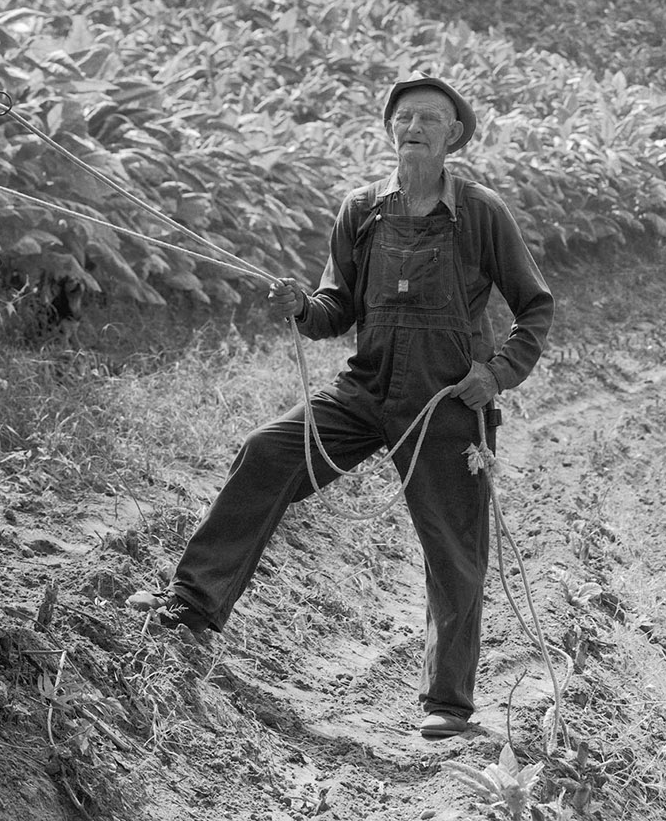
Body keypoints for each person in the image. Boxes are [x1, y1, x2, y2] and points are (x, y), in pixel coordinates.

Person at [158, 75, 553, 740]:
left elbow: (534, 307)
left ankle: (448, 705)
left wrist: (499, 372)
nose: (415, 128)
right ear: (389, 129)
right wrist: (301, 308)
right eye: (404, 118)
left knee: (454, 549)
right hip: (367, 389)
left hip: (447, 401)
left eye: (431, 118)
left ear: (453, 134)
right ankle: (194, 603)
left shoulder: (482, 213)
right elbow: (335, 309)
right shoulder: (362, 210)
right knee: (268, 451)